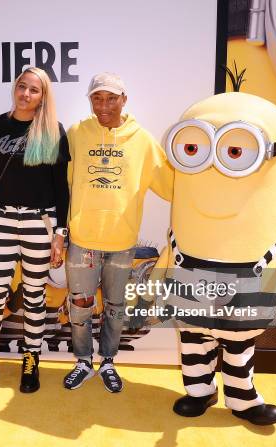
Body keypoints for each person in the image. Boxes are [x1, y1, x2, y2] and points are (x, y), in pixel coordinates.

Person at [63, 72, 173, 393]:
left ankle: (108, 360)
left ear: (125, 99)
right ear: (90, 100)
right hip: (82, 240)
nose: (104, 105)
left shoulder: (143, 141)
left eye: (112, 98)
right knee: (80, 307)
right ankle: (83, 361)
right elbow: (58, 181)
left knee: (115, 307)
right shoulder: (76, 134)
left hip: (122, 243)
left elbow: (170, 186)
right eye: (98, 98)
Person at [0, 67, 70, 393]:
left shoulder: (53, 131)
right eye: (22, 87)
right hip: (0, 220)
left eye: (34, 90)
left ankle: (31, 363)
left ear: (43, 96)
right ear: (15, 89)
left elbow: (61, 188)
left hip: (38, 223)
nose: (26, 94)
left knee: (33, 296)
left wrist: (61, 233)